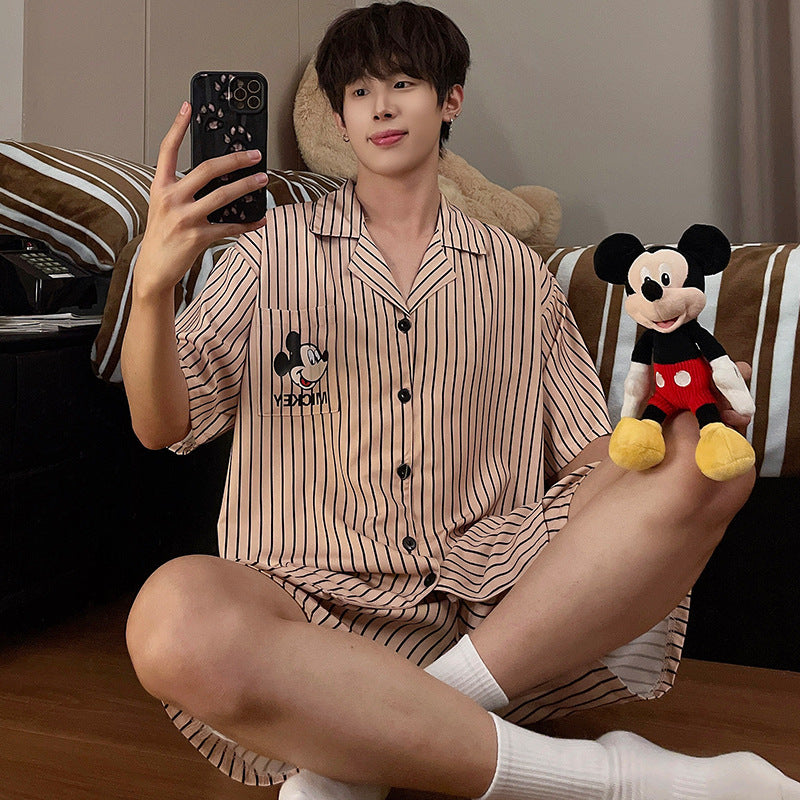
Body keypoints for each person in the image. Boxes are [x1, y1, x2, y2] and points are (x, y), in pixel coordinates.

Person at [121, 3, 799, 799]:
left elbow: (589, 454)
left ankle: (372, 737)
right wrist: (151, 289)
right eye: (360, 92)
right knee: (168, 620)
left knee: (708, 456)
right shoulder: (263, 253)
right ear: (338, 117)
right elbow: (160, 425)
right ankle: (606, 778)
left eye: (403, 84)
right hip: (302, 606)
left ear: (450, 100)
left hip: (493, 607)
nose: (380, 107)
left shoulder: (518, 273)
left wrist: (676, 413)